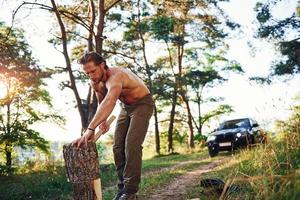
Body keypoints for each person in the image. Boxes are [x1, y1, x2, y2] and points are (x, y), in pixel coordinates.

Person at [72, 52, 154, 200]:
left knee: (132, 145)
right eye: (87, 73)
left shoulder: (116, 77)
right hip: (126, 107)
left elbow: (110, 101)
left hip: (142, 103)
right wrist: (102, 121)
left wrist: (90, 129)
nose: (90, 75)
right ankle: (122, 189)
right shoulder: (95, 82)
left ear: (102, 65)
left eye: (93, 71)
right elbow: (102, 100)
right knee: (117, 147)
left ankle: (130, 192)